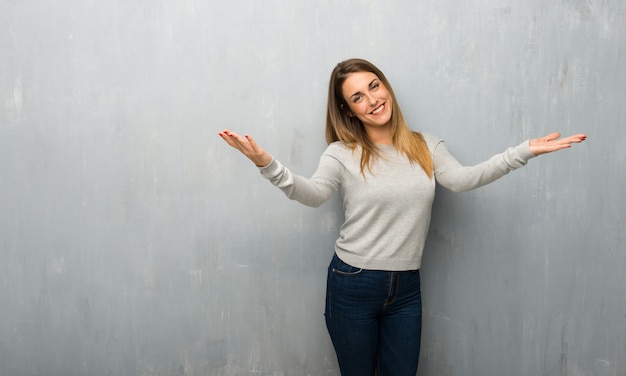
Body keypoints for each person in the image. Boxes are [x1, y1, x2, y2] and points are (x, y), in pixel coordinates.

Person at [218, 58, 586, 376]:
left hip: (407, 288)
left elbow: (462, 179)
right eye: (357, 97)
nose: (372, 100)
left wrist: (523, 152)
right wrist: (266, 163)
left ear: (386, 87)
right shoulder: (341, 152)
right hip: (353, 284)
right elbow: (313, 195)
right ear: (348, 110)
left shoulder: (426, 145)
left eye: (374, 86)